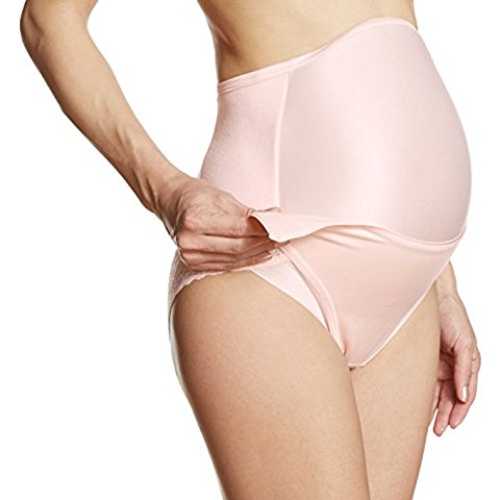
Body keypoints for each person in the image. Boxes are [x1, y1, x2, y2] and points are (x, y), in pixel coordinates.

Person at [21, 1, 481, 498]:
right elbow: (48, 20)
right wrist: (165, 191)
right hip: (270, 264)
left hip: (407, 291)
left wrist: (442, 282)